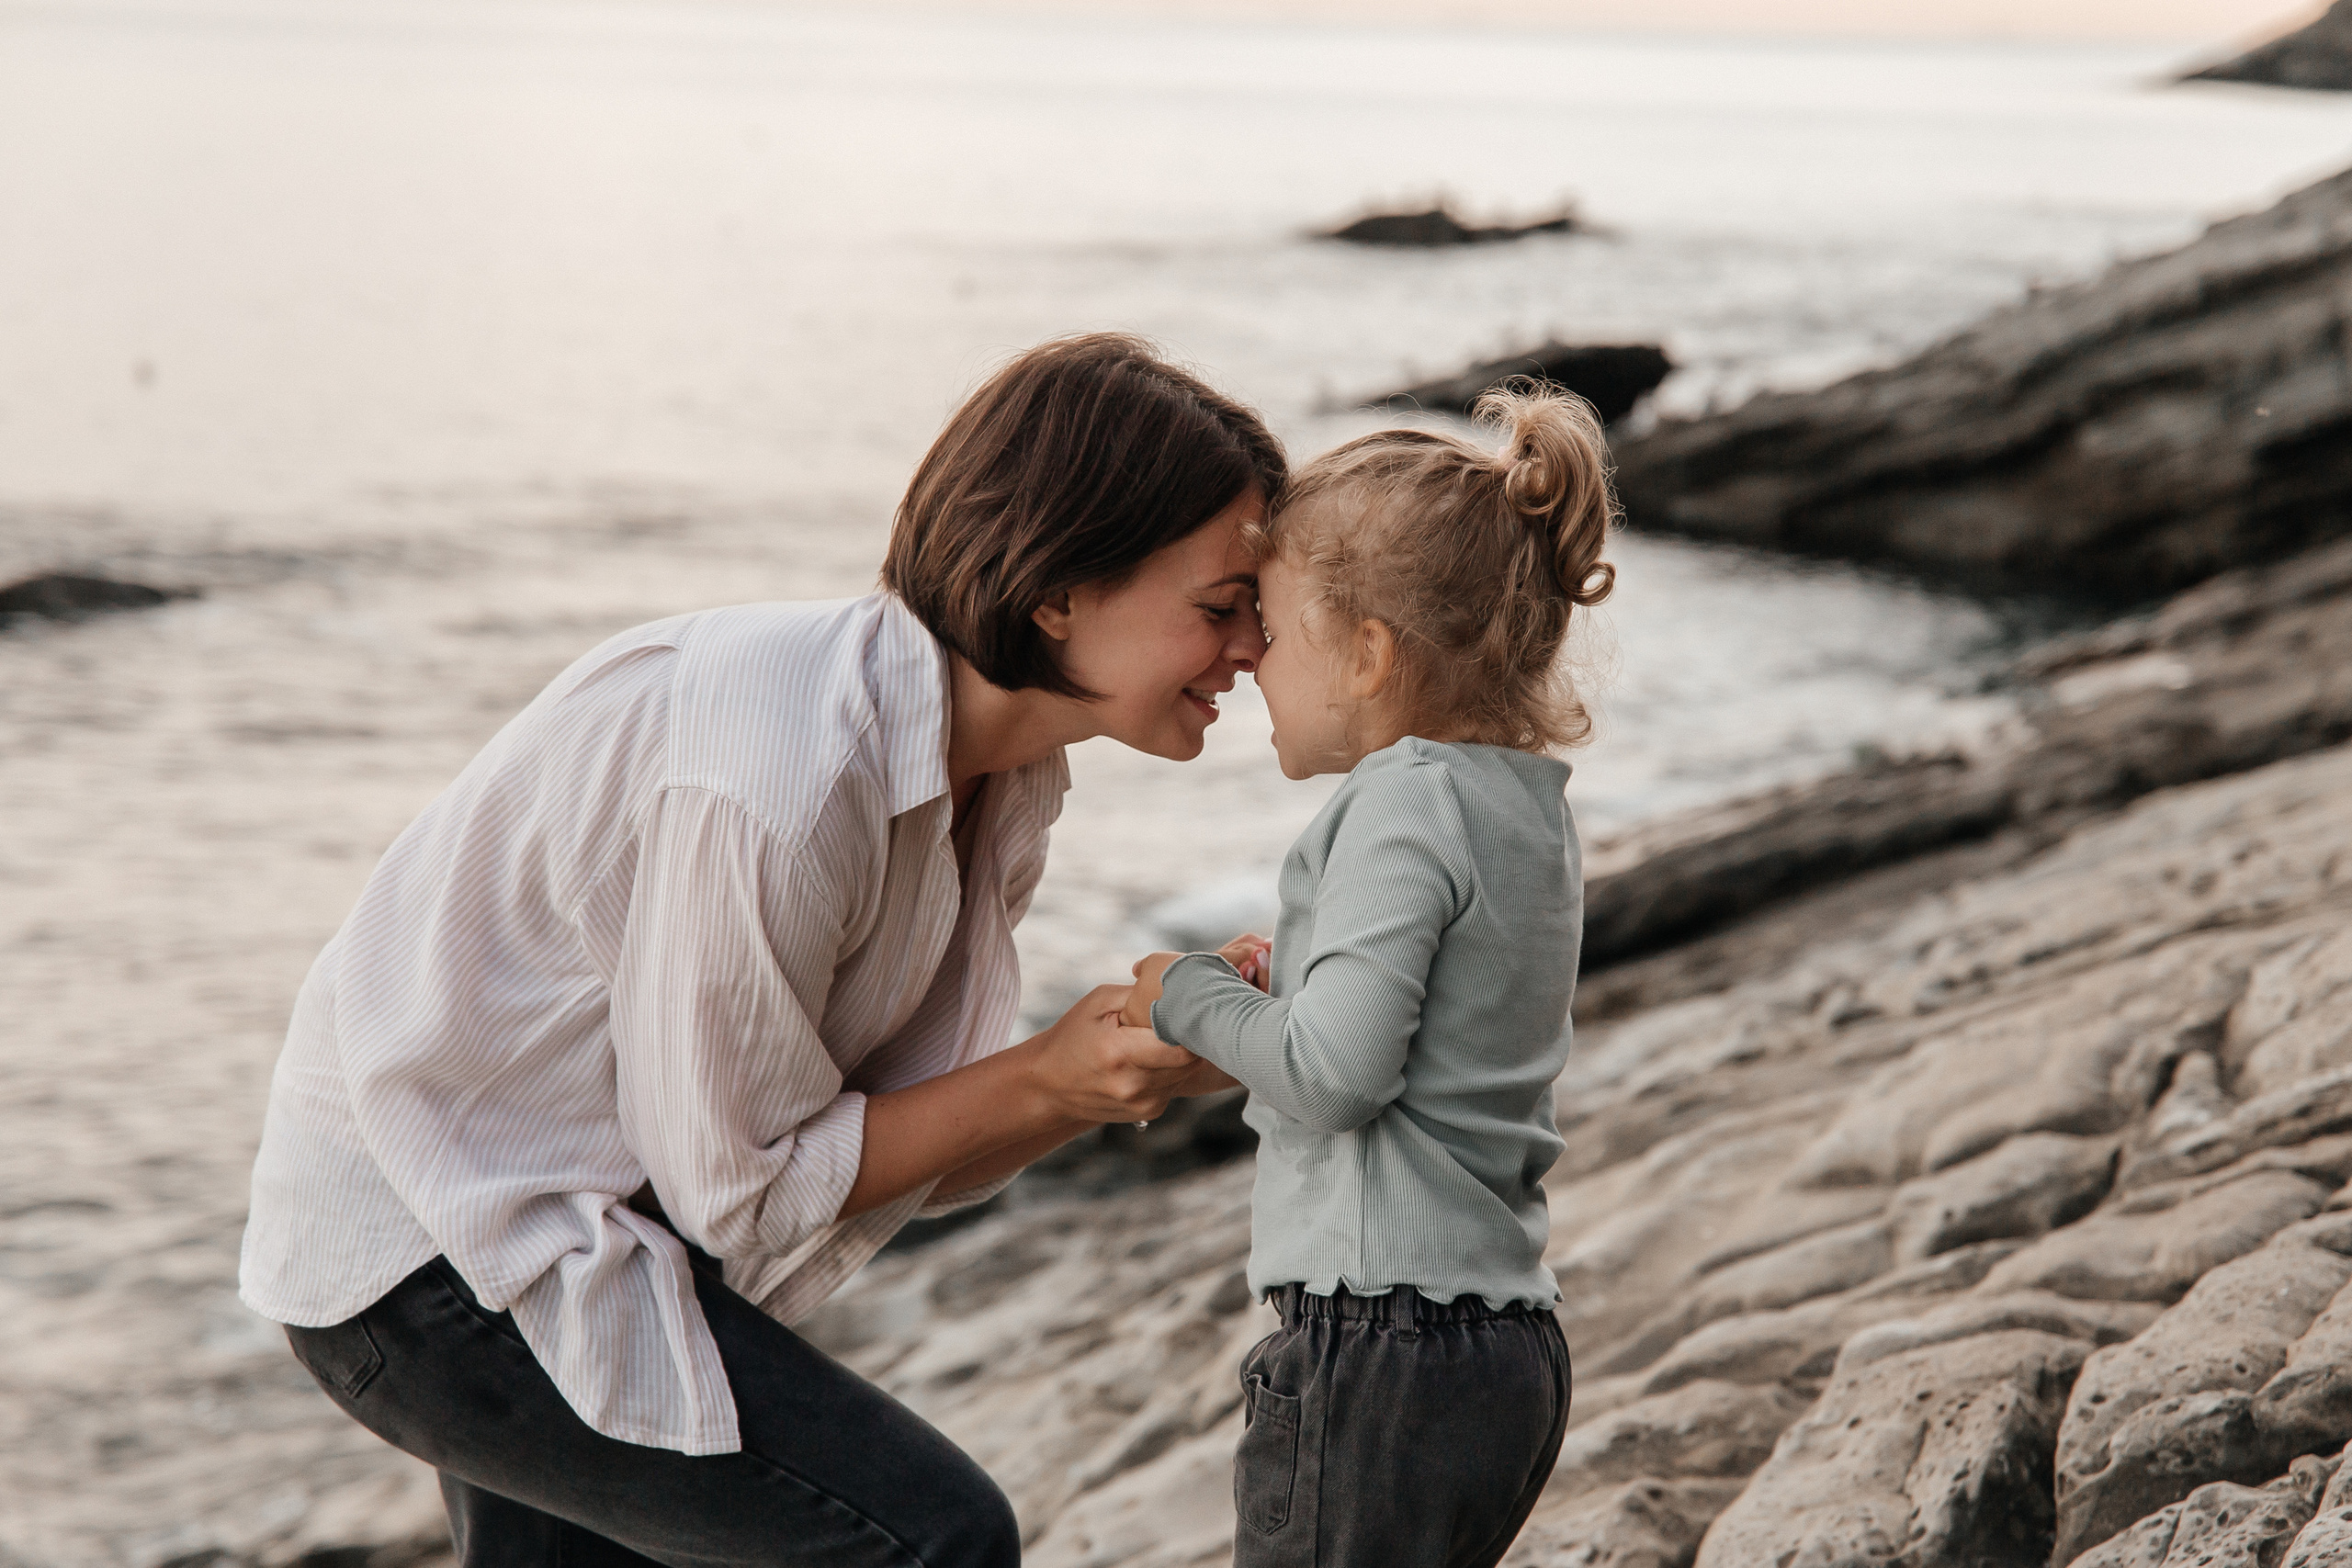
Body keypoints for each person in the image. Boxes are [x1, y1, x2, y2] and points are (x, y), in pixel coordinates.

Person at [238, 333, 1277, 1568]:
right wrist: (1050, 1074)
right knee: (934, 1540)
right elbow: (745, 1188)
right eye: (1222, 607)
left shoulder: (995, 781)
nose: (1255, 650)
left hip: (574, 1213)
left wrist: (1104, 1070)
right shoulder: (784, 777)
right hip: (431, 1243)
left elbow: (876, 1141)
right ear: (1057, 589)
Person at [1123, 383, 1616, 1568]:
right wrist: (1298, 970)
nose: (1249, 657)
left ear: (1369, 654)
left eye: (1276, 632)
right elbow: (1456, 1010)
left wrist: (1186, 993)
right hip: (1499, 1346)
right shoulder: (1524, 805)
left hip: (1378, 1342)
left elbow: (1338, 1076)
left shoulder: (1397, 799)